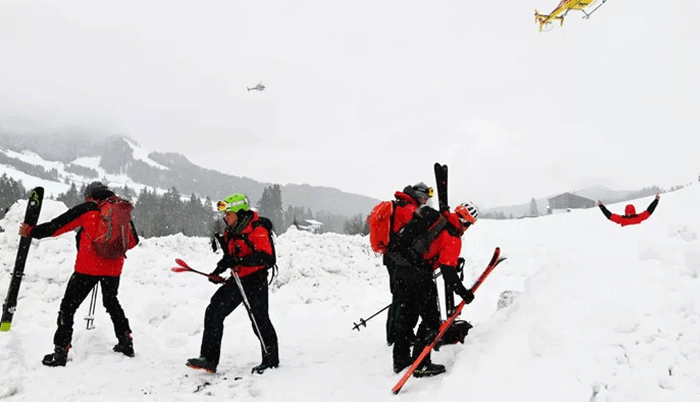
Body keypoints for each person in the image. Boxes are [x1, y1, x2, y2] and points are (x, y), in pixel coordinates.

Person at [19, 182, 139, 367]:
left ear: (90, 195)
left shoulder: (88, 209)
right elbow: (132, 241)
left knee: (68, 307)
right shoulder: (119, 210)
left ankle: (60, 352)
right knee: (111, 302)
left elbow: (56, 226)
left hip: (87, 269)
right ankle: (126, 341)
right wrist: (109, 248)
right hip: (114, 269)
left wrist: (31, 231)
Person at [187, 193, 279, 374]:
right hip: (238, 279)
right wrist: (217, 271)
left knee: (259, 319)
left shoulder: (257, 229)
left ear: (239, 213)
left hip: (256, 280)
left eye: (228, 214)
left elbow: (267, 257)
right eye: (225, 214)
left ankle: (270, 360)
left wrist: (239, 260)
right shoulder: (231, 231)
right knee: (214, 310)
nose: (225, 217)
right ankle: (209, 358)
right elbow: (229, 258)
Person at [391, 201, 478, 377]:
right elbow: (448, 272)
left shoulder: (441, 219)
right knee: (431, 320)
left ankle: (400, 359)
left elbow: (433, 249)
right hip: (418, 275)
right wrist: (464, 293)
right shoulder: (453, 236)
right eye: (468, 224)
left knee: (407, 314)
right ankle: (421, 364)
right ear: (465, 221)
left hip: (401, 267)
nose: (467, 228)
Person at [383, 182, 434, 347]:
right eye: (425, 198)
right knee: (402, 300)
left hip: (393, 257)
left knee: (398, 297)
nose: (426, 201)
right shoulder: (408, 209)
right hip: (399, 259)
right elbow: (408, 237)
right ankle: (398, 336)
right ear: (419, 195)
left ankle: (395, 334)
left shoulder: (402, 204)